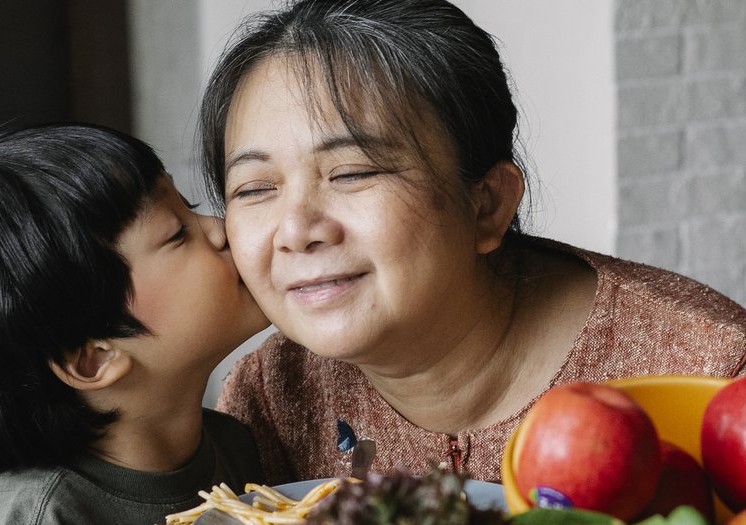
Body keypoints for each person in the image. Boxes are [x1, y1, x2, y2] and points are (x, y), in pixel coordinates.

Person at [199, 0, 746, 486]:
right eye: (254, 188)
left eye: (350, 173)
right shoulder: (271, 395)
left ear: (485, 205)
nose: (296, 231)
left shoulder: (711, 373)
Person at [0, 123, 269, 525]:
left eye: (190, 207)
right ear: (93, 359)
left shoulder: (235, 448)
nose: (221, 229)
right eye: (177, 232)